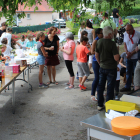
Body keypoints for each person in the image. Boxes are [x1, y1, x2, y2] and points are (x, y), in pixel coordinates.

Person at [95, 26, 119, 111]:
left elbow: (96, 55)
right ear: (109, 34)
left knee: (100, 86)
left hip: (102, 67)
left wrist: (99, 63)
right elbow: (116, 58)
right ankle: (109, 106)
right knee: (110, 87)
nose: (113, 34)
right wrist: (117, 62)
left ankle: (100, 104)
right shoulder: (112, 43)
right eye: (112, 33)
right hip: (111, 68)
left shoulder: (99, 41)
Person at [120, 24, 140, 92]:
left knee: (135, 72)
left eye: (129, 30)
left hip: (135, 57)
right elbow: (125, 44)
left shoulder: (138, 34)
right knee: (128, 72)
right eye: (126, 30)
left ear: (133, 29)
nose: (128, 32)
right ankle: (127, 86)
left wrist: (131, 53)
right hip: (128, 57)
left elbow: (138, 47)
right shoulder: (125, 34)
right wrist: (127, 52)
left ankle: (135, 87)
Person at [91, 28, 103, 101]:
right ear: (98, 34)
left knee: (101, 78)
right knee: (97, 78)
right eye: (101, 33)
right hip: (96, 61)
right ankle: (92, 94)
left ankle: (98, 91)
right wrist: (99, 52)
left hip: (102, 61)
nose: (103, 34)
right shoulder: (96, 40)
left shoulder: (103, 40)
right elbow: (92, 52)